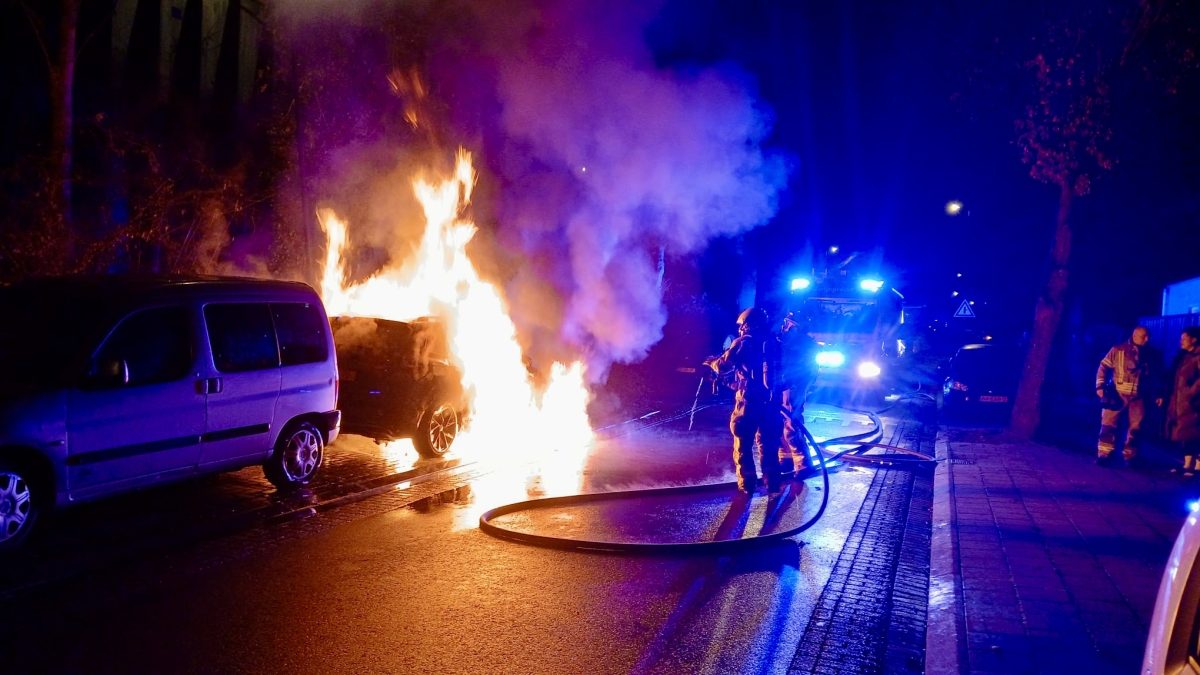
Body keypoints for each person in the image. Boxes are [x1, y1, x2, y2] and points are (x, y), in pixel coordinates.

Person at [706, 307, 784, 493]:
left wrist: (710, 362)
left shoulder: (743, 342)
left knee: (743, 444)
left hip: (748, 402)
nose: (740, 329)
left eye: (742, 325)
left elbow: (724, 366)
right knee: (769, 444)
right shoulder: (774, 341)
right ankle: (772, 483)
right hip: (772, 402)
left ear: (748, 324)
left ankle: (747, 485)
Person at [1095, 325, 1162, 466]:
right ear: (1135, 336)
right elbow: (1103, 366)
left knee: (1136, 428)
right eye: (1144, 336)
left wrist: (1158, 393)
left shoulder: (1152, 355)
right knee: (1108, 425)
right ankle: (1104, 455)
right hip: (1117, 395)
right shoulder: (1118, 350)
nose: (1147, 339)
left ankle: (1130, 456)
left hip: (1139, 396)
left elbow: (1157, 376)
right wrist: (1100, 386)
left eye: (1148, 336)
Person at [778, 310, 819, 476]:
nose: (786, 326)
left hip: (793, 385)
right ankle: (786, 460)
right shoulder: (787, 340)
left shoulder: (802, 344)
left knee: (791, 423)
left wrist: (793, 384)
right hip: (784, 384)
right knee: (779, 421)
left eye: (789, 324)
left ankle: (803, 465)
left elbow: (806, 370)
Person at [1166, 327, 1200, 476]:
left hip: (1194, 403)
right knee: (1185, 433)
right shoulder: (1184, 356)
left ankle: (1197, 466)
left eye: (1184, 338)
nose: (1181, 341)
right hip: (1181, 401)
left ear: (1194, 339)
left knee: (1194, 432)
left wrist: (1190, 393)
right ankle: (1187, 464)